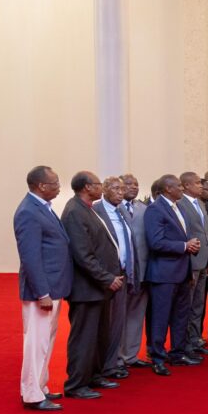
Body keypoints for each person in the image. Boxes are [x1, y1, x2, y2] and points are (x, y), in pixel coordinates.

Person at [13, 165, 72, 411]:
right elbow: (30, 257)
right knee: (36, 344)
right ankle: (32, 395)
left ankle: (40, 386)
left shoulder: (42, 208)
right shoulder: (28, 211)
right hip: (42, 290)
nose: (59, 188)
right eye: (55, 183)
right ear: (41, 186)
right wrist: (42, 293)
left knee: (45, 341)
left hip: (53, 286)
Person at [61, 171, 123, 399]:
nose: (101, 188)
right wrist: (107, 278)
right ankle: (76, 384)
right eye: (98, 184)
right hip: (87, 289)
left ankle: (94, 375)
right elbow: (83, 255)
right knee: (84, 338)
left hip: (99, 288)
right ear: (87, 187)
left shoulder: (87, 209)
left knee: (99, 336)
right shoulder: (75, 212)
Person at [145, 174, 202, 376]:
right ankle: (158, 357)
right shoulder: (155, 210)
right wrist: (184, 246)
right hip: (163, 274)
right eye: (179, 186)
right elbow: (156, 242)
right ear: (168, 189)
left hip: (181, 271)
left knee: (180, 316)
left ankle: (177, 353)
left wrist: (190, 245)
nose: (182, 189)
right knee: (160, 318)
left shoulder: (177, 207)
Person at [92, 176, 136, 380]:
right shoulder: (96, 210)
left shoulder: (123, 211)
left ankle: (112, 364)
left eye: (122, 188)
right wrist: (106, 275)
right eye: (116, 188)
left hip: (124, 274)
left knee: (117, 324)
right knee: (104, 326)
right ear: (105, 190)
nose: (121, 192)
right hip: (105, 278)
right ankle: (101, 367)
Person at [177, 172, 208, 357]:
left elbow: (206, 234)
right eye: (198, 183)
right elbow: (185, 235)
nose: (202, 186)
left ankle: (195, 339)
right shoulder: (180, 204)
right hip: (191, 263)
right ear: (186, 185)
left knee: (199, 304)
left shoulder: (200, 203)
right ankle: (184, 343)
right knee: (188, 305)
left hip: (203, 261)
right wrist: (188, 265)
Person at [118, 173, 152, 368]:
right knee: (119, 317)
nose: (133, 187)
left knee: (136, 315)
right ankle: (117, 357)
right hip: (122, 273)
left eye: (136, 184)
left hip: (142, 272)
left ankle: (131, 355)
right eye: (129, 184)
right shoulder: (111, 209)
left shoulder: (144, 209)